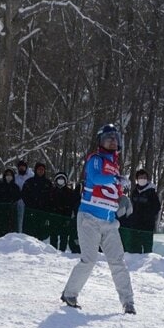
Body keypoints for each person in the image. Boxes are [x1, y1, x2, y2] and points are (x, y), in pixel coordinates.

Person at [60, 124, 135, 314]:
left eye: (115, 138)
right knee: (89, 259)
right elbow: (96, 178)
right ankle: (70, 293)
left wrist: (123, 198)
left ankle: (128, 302)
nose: (112, 140)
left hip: (109, 222)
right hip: (89, 218)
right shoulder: (96, 159)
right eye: (108, 137)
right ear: (100, 141)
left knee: (118, 261)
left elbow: (114, 191)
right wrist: (116, 181)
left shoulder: (115, 167)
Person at [119, 169, 161, 254]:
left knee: (147, 249)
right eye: (140, 177)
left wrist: (148, 215)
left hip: (147, 225)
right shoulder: (135, 191)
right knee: (135, 248)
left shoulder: (152, 192)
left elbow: (157, 207)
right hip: (135, 225)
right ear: (137, 179)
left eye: (144, 177)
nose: (142, 179)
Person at [20, 162, 54, 240]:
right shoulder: (29, 182)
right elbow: (24, 195)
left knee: (41, 235)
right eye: (39, 169)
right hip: (30, 212)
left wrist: (46, 208)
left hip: (43, 213)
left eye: (42, 169)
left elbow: (51, 197)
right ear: (36, 170)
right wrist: (31, 205)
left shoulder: (48, 183)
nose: (40, 171)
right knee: (29, 235)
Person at [0, 167, 21, 238]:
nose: (8, 176)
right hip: (0, 213)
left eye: (10, 175)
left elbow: (18, 196)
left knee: (11, 231)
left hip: (11, 212)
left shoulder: (15, 187)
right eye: (7, 175)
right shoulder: (0, 186)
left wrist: (11, 201)